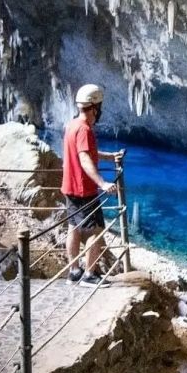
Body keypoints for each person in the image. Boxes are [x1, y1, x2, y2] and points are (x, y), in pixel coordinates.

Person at [61, 83, 121, 286]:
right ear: (95, 107)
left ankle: (74, 272)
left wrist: (110, 157)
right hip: (84, 190)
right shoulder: (85, 130)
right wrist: (102, 183)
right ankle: (89, 274)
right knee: (96, 230)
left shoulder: (72, 125)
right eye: (99, 106)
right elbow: (85, 158)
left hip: (69, 187)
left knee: (73, 228)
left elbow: (85, 153)